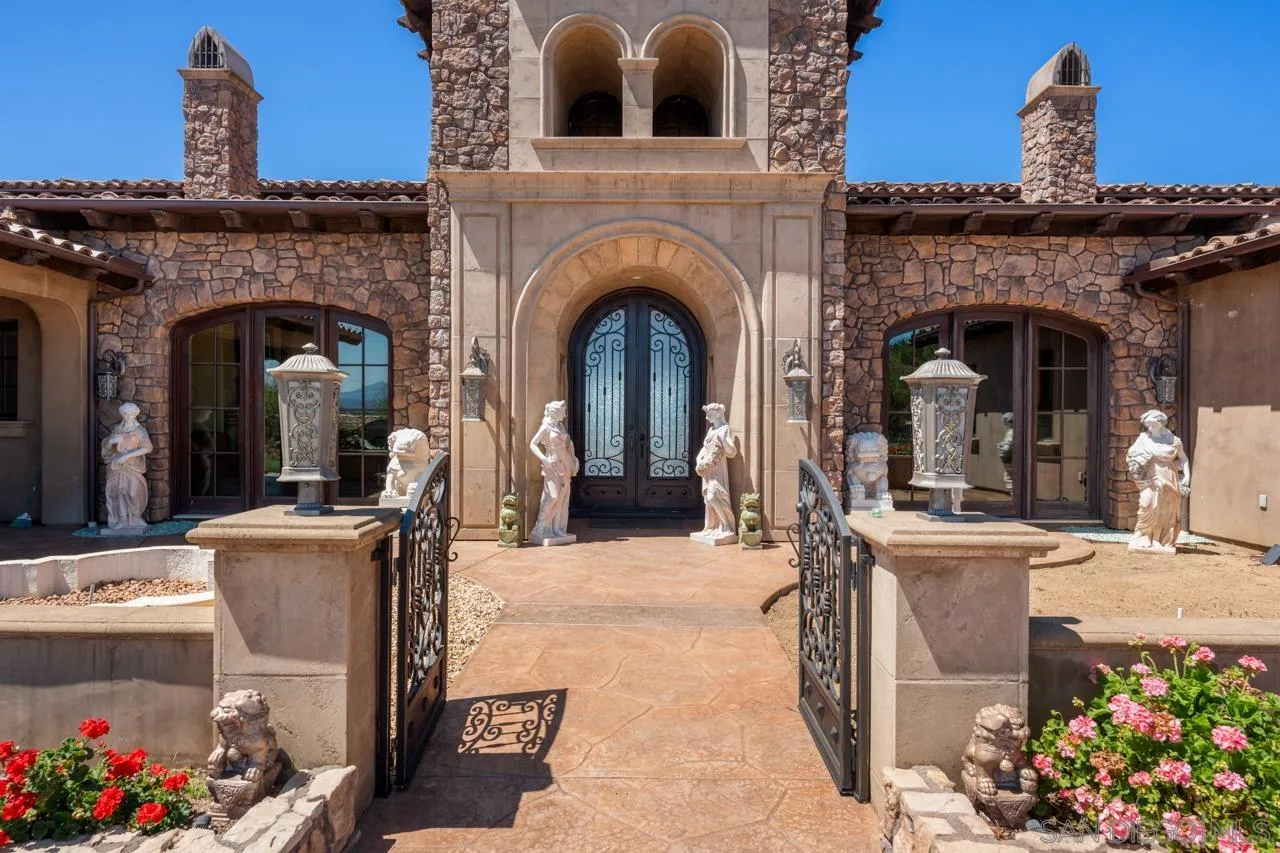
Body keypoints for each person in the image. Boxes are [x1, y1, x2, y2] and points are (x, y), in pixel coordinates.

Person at [1126, 409, 1190, 554]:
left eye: (1153, 424)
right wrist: (1137, 462)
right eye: (1148, 425)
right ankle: (1144, 536)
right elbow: (1131, 456)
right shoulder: (1143, 439)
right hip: (1149, 479)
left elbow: (1184, 459)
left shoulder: (1173, 441)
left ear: (1161, 423)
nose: (1150, 427)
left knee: (1165, 511)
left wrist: (1186, 477)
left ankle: (1158, 539)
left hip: (1168, 478)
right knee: (1147, 505)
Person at [529, 400, 579, 543]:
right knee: (553, 496)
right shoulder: (546, 427)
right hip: (553, 464)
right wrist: (544, 459)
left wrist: (571, 458)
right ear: (555, 412)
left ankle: (557, 528)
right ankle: (541, 528)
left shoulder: (561, 426)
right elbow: (533, 444)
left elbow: (567, 444)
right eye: (562, 411)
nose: (564, 413)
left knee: (563, 497)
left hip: (566, 464)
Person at [101, 401, 154, 530]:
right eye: (125, 414)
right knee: (119, 493)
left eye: (130, 414)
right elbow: (108, 447)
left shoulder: (139, 430)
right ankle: (123, 519)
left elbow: (147, 447)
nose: (128, 417)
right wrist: (111, 441)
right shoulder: (118, 429)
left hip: (132, 466)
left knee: (132, 492)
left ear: (135, 414)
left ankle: (135, 517)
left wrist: (127, 456)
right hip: (117, 466)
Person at [694, 403, 737, 540]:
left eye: (709, 415)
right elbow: (705, 448)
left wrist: (724, 440)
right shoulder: (711, 430)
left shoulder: (724, 430)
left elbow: (732, 452)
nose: (707, 418)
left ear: (717, 414)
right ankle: (712, 526)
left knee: (713, 497)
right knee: (708, 499)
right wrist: (698, 459)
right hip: (707, 470)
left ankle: (726, 525)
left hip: (717, 470)